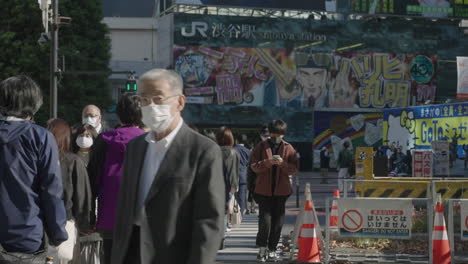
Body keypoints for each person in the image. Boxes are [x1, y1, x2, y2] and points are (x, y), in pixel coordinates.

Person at [111, 69, 225, 264]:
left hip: (174, 254)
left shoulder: (203, 150)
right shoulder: (135, 147)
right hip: (131, 252)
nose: (151, 106)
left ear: (180, 102)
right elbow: (124, 207)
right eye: (144, 100)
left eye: (158, 99)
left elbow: (209, 220)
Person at [0, 75, 68, 262]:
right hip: (27, 236)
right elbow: (52, 189)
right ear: (34, 102)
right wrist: (57, 232)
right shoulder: (41, 137)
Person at [87, 94, 145, 264]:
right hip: (141, 216)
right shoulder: (150, 142)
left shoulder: (104, 140)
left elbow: (92, 179)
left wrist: (90, 213)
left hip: (110, 214)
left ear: (119, 114)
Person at [250, 120, 298, 262]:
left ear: (283, 134)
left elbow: (294, 168)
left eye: (280, 134)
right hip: (263, 191)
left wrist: (283, 164)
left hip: (281, 192)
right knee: (265, 222)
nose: (277, 137)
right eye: (275, 133)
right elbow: (254, 166)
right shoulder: (260, 147)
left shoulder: (289, 148)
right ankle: (262, 248)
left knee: (278, 223)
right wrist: (268, 162)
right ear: (270, 133)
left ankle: (272, 249)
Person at [47, 118, 93, 263]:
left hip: (39, 226)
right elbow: (82, 197)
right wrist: (86, 224)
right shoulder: (73, 161)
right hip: (65, 223)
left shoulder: (38, 159)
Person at [216, 127, 239, 237]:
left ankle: (219, 230)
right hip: (229, 184)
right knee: (226, 208)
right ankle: (223, 230)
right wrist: (235, 185)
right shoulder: (234, 152)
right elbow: (235, 170)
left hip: (216, 183)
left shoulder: (213, 150)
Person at [234, 134, 251, 215]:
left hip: (233, 174)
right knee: (242, 194)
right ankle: (241, 212)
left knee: (232, 194)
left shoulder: (233, 149)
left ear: (236, 140)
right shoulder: (247, 151)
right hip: (243, 174)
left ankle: (233, 211)